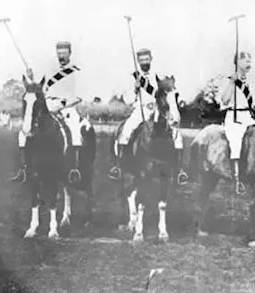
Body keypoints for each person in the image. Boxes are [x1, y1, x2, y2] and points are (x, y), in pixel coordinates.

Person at [11, 41, 92, 183]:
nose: (61, 56)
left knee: (75, 132)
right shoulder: (50, 71)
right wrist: (30, 78)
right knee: (24, 132)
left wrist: (62, 104)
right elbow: (39, 89)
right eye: (59, 53)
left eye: (64, 53)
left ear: (70, 54)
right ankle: (25, 168)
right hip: (48, 105)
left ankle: (74, 169)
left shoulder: (76, 72)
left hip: (68, 107)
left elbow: (79, 96)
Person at [108, 48, 189, 185]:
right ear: (138, 61)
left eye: (146, 59)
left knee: (176, 134)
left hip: (158, 109)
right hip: (140, 110)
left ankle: (180, 170)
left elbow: (167, 92)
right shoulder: (133, 76)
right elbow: (128, 100)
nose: (144, 62)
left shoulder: (158, 76)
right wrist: (135, 88)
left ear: (151, 59)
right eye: (141, 60)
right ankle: (119, 166)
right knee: (126, 131)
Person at [220, 51, 255, 194]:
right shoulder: (229, 80)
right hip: (233, 116)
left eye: (250, 61)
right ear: (237, 62)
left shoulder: (251, 83)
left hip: (247, 116)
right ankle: (237, 179)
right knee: (236, 141)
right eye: (246, 61)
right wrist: (231, 82)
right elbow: (224, 100)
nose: (249, 64)